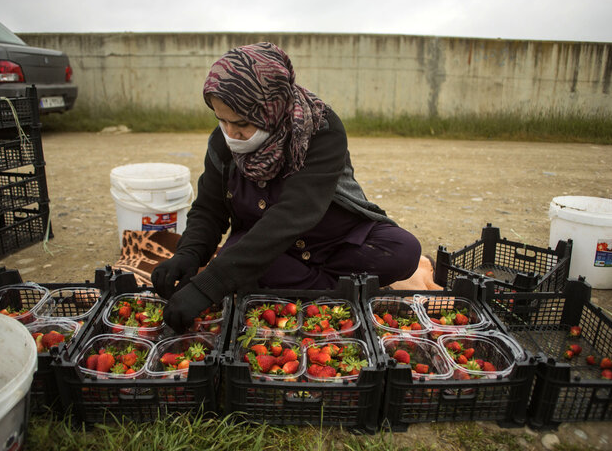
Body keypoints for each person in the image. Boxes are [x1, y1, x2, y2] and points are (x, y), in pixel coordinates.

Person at [152, 42, 421, 334]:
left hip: (331, 240)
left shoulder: (320, 130)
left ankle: (301, 289)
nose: (231, 133)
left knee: (404, 251)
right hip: (266, 247)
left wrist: (208, 287)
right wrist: (187, 255)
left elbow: (294, 214)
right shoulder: (222, 143)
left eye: (241, 122)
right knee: (235, 264)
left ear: (272, 107)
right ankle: (336, 294)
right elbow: (208, 209)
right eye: (221, 120)